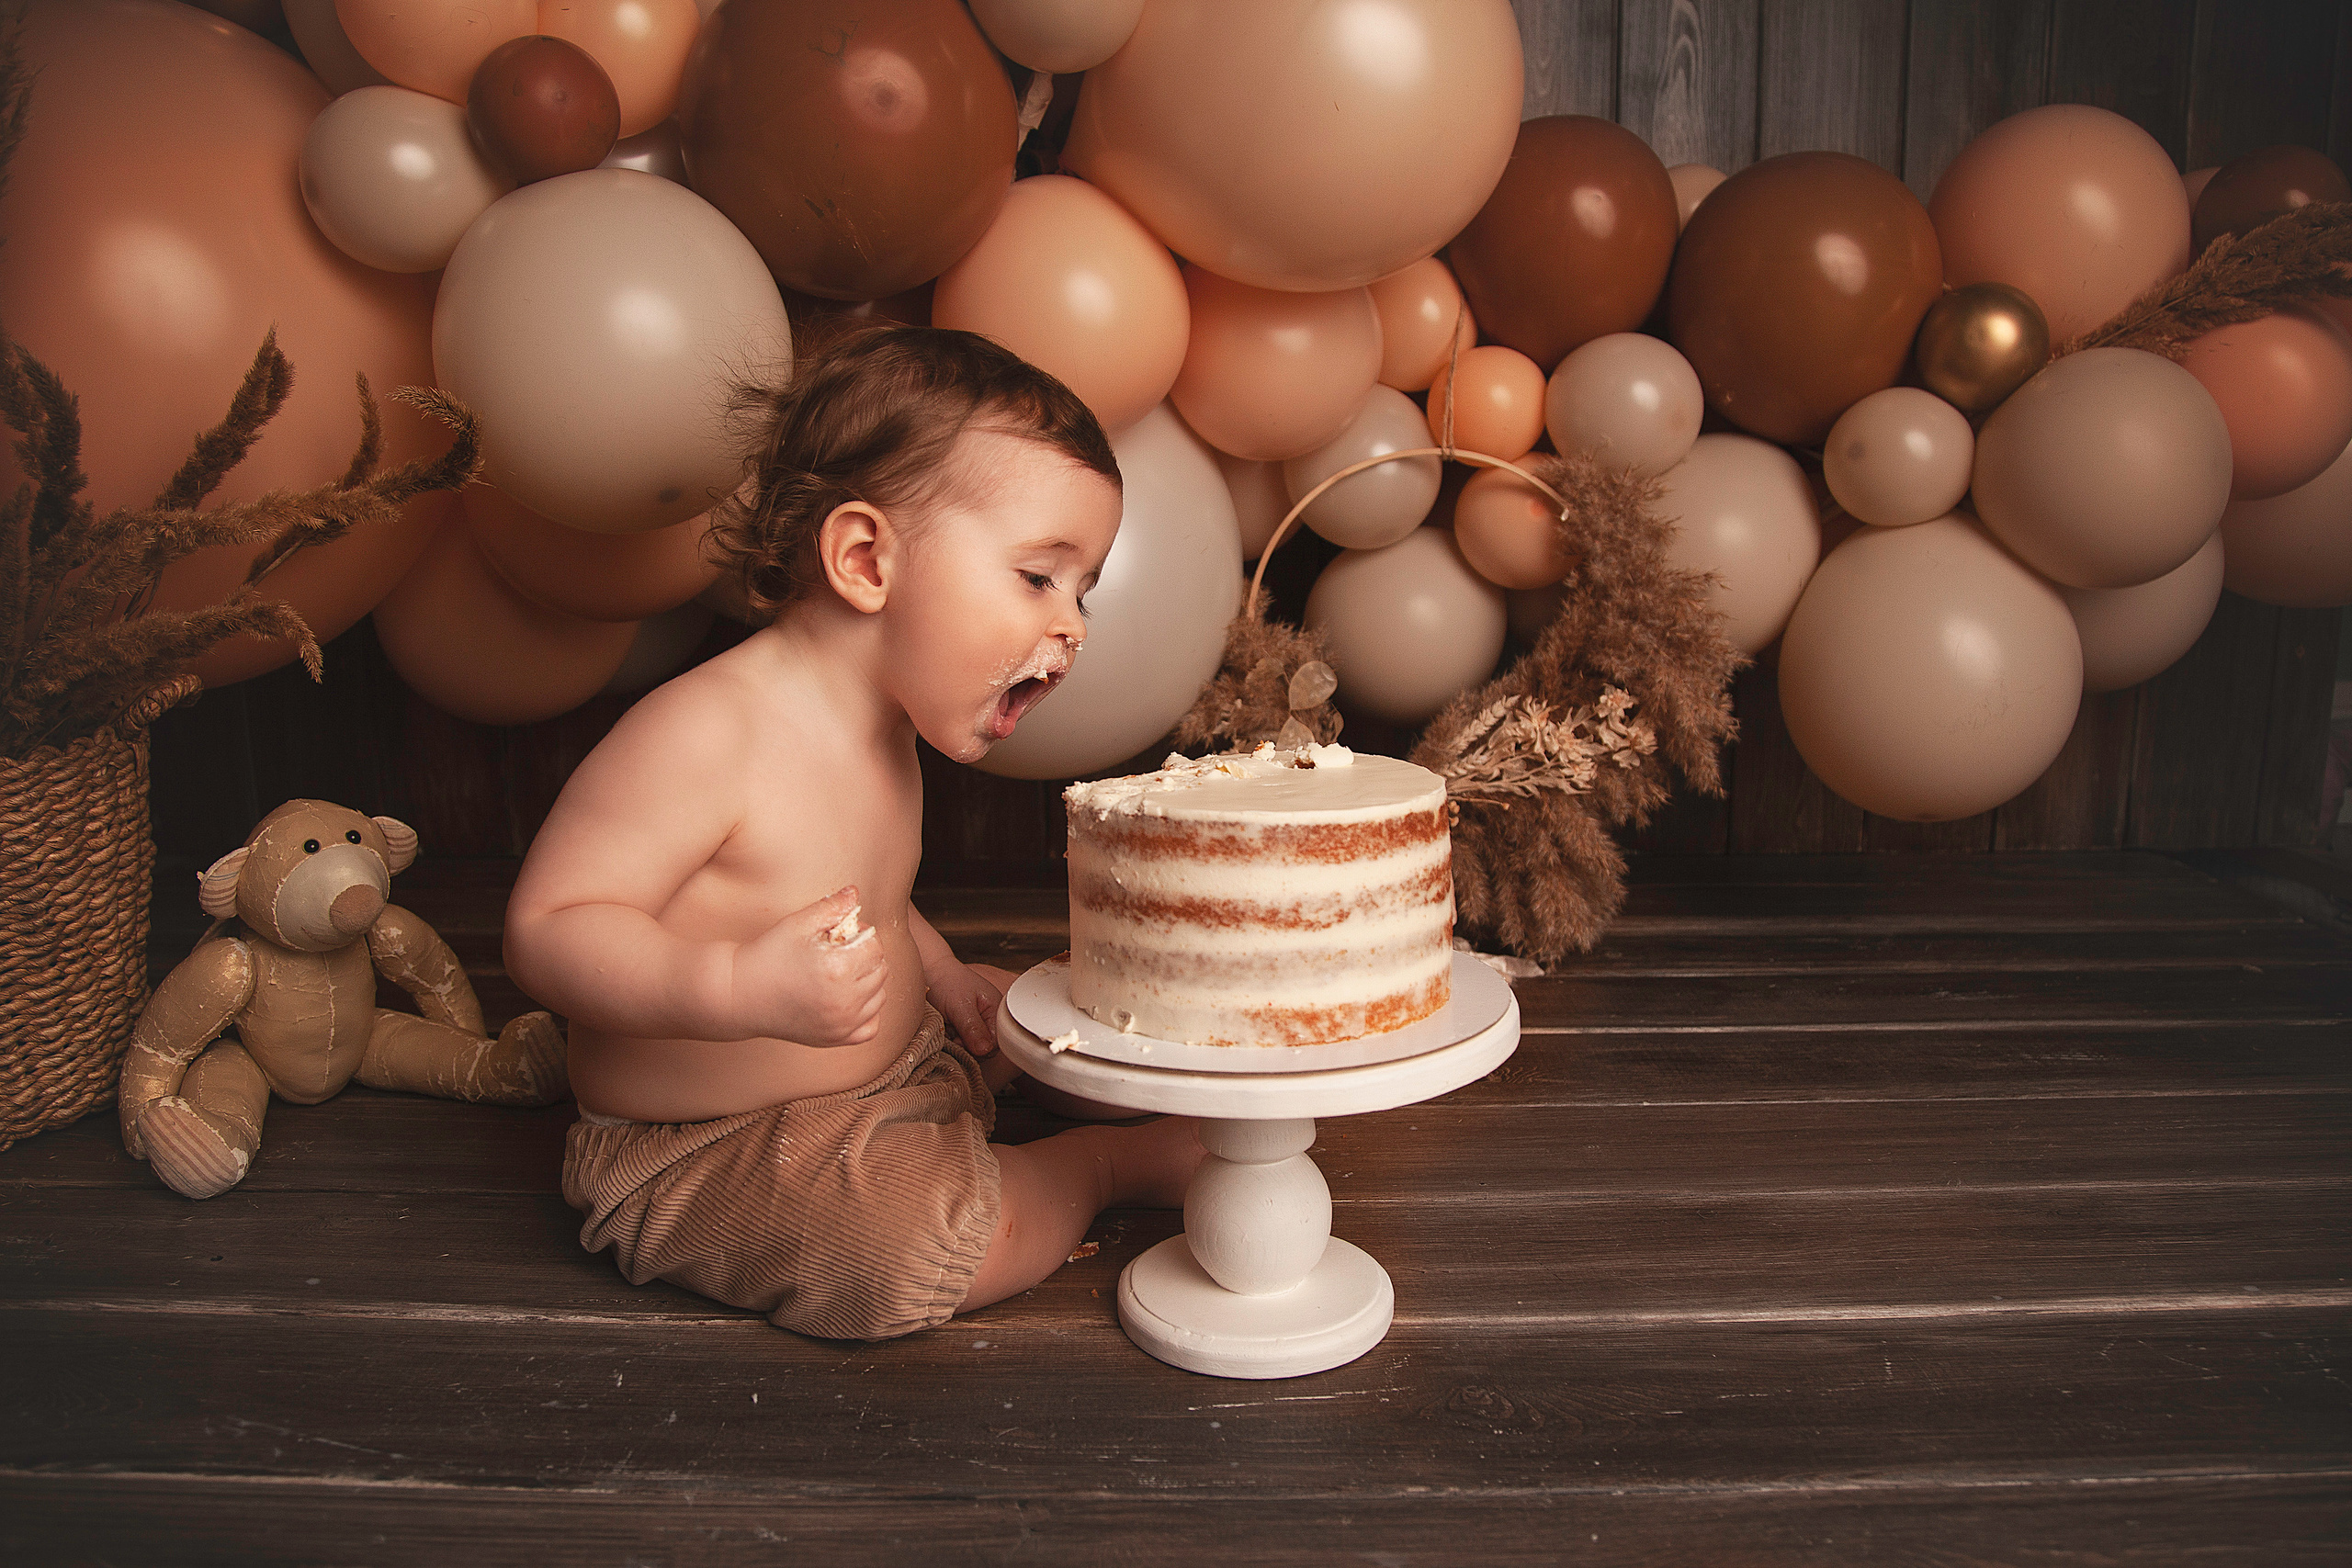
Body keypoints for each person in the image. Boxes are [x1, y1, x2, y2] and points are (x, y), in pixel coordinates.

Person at [503, 323, 1201, 1340]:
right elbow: (550, 925)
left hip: (890, 1065)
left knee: (1052, 1019)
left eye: (1083, 590)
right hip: (715, 1145)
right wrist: (730, 984)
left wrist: (946, 973)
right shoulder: (706, 731)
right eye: (1038, 577)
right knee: (914, 1248)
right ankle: (1098, 1168)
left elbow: (858, 893)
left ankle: (1053, 1091)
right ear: (867, 559)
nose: (1074, 625)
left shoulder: (884, 727)